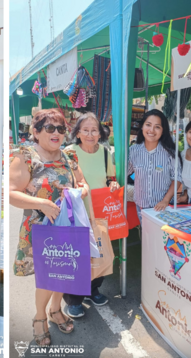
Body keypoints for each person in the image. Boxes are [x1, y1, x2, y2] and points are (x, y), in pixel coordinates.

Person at [9, 109, 92, 346]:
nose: (57, 133)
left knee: (64, 272)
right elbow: (12, 194)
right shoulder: (26, 156)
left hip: (67, 226)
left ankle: (56, 310)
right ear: (36, 132)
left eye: (61, 128)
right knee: (48, 278)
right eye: (50, 128)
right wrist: (42, 204)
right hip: (40, 228)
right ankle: (39, 317)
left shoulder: (69, 156)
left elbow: (84, 184)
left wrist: (81, 191)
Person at [62, 113, 119, 318]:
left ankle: (93, 290)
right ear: (77, 133)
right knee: (77, 257)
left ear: (100, 133)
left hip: (101, 214)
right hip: (77, 213)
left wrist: (113, 183)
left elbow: (110, 178)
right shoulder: (70, 152)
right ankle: (74, 299)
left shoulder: (104, 152)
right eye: (85, 130)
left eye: (94, 130)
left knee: (100, 253)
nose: (90, 134)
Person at [128, 109, 182, 222]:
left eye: (157, 127)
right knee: (146, 238)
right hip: (141, 208)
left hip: (164, 208)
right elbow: (124, 173)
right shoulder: (133, 151)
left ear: (163, 131)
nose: (151, 130)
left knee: (164, 238)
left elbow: (177, 178)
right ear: (142, 126)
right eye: (148, 125)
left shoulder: (170, 153)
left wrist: (166, 200)